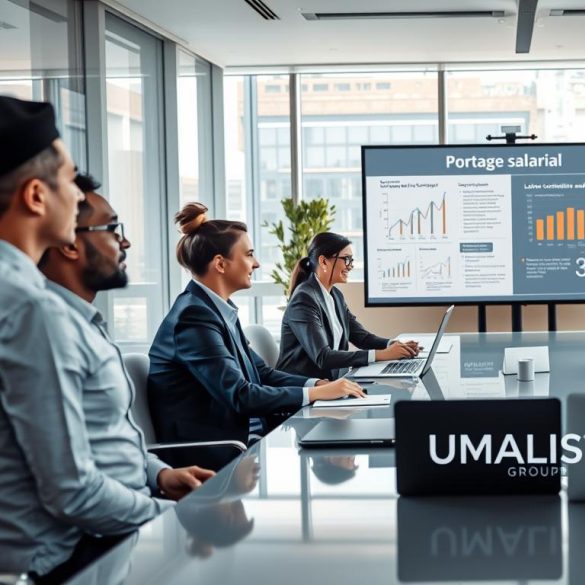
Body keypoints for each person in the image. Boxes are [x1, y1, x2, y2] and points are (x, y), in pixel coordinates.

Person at [0, 96, 183, 578]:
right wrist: (175, 521)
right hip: (72, 558)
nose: (78, 198)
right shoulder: (31, 308)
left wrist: (157, 477)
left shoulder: (29, 297)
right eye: (69, 182)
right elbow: (70, 489)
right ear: (37, 196)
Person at [147, 203, 366, 468]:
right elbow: (240, 396)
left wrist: (317, 385)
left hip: (242, 439)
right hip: (215, 454)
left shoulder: (214, 309)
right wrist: (315, 395)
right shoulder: (193, 318)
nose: (257, 263)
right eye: (249, 254)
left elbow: (262, 373)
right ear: (220, 264)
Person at [276, 232, 419, 379]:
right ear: (324, 262)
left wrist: (393, 344)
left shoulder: (335, 295)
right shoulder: (304, 299)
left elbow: (361, 338)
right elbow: (323, 357)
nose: (350, 266)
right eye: (346, 259)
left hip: (330, 384)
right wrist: (380, 355)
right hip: (302, 389)